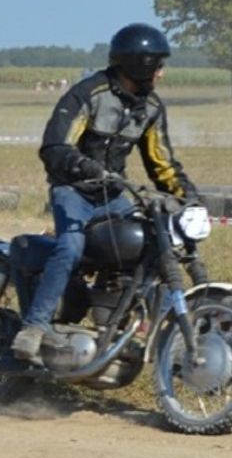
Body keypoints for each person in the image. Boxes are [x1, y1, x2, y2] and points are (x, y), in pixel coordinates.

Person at [11, 23, 201, 363]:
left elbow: (162, 163)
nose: (162, 73)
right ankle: (35, 327)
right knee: (71, 245)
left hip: (113, 194)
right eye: (157, 65)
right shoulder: (89, 94)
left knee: (149, 242)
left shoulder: (150, 108)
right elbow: (54, 146)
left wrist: (190, 198)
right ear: (139, 65)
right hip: (74, 190)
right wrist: (85, 167)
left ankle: (120, 324)